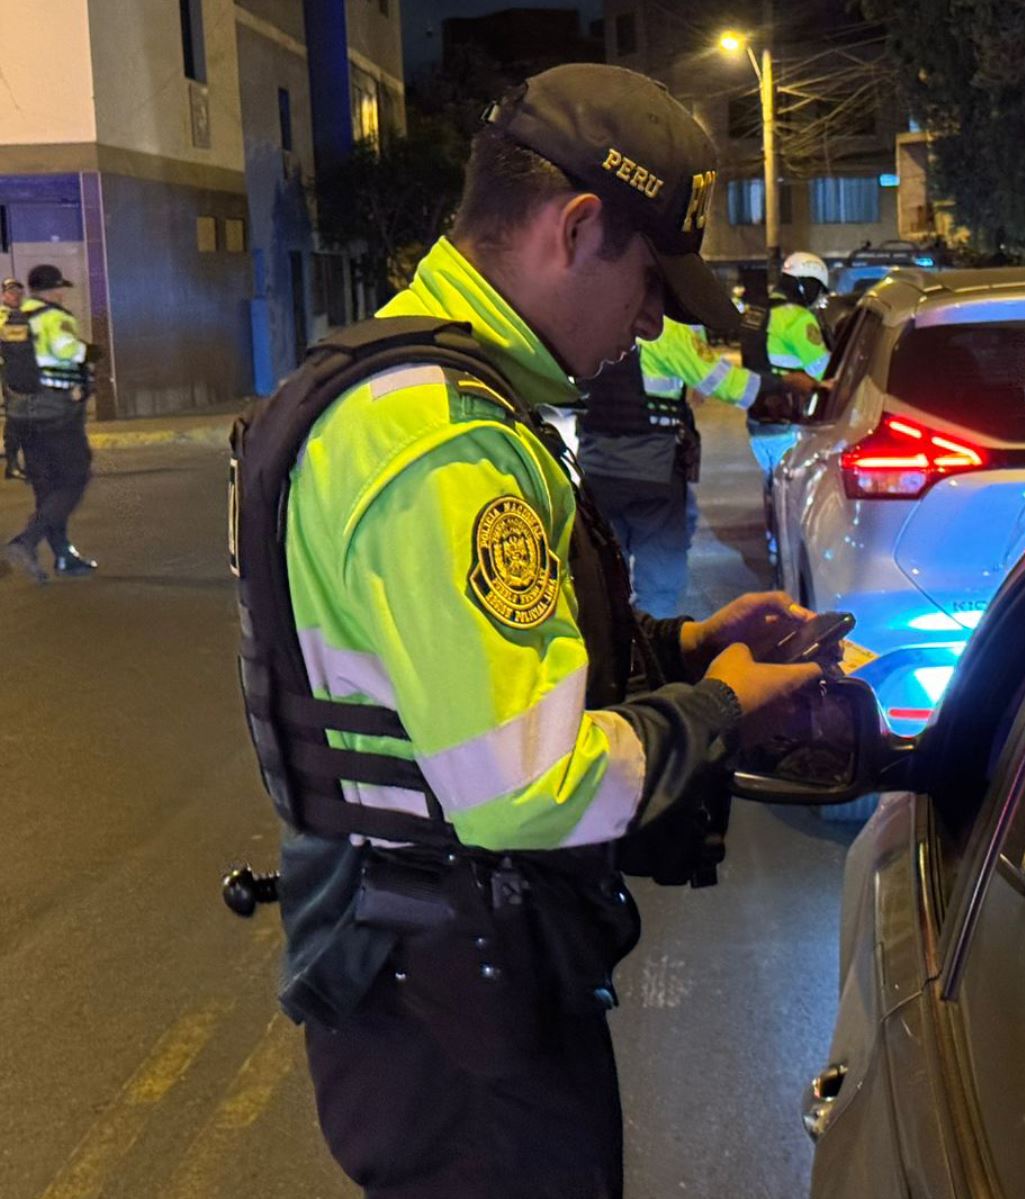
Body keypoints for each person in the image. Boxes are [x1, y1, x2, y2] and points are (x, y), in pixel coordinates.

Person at [229, 65, 830, 1197]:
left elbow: (446, 675)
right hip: (457, 1014)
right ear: (579, 227)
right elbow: (528, 779)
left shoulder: (409, 392)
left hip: (429, 975)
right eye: (652, 281)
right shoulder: (443, 438)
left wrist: (688, 648)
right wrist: (723, 706)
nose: (652, 320)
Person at [575, 315, 816, 616]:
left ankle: (607, 650)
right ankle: (649, 649)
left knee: (604, 574)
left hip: (595, 470)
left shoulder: (587, 321)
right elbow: (726, 383)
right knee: (659, 580)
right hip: (653, 472)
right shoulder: (661, 330)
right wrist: (780, 384)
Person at [1, 265, 98, 582]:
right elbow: (65, 349)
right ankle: (26, 541)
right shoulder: (55, 318)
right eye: (60, 288)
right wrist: (90, 351)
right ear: (54, 289)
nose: (62, 293)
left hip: (21, 415)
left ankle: (63, 556)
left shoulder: (15, 318)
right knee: (74, 477)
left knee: (46, 486)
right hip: (55, 413)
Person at [738, 250, 832, 555]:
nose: (817, 298)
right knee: (790, 498)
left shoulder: (754, 312)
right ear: (805, 284)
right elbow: (825, 371)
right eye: (817, 289)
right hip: (788, 424)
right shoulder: (798, 318)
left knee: (772, 489)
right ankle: (786, 556)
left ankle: (774, 546)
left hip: (757, 422)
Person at [2, 278, 26, 481]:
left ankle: (16, 464)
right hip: (10, 373)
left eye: (18, 291)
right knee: (16, 419)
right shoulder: (3, 316)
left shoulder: (22, 315)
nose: (16, 295)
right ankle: (11, 464)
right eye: (11, 292)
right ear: (3, 295)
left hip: (24, 373)